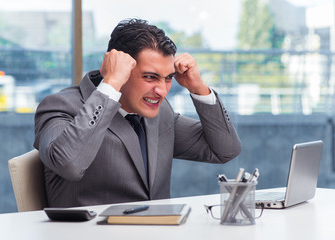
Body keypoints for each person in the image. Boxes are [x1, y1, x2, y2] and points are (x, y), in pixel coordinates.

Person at [34, 18, 241, 208]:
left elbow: (225, 150)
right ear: (120, 70)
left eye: (168, 78)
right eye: (150, 77)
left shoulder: (160, 114)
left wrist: (199, 89)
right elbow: (70, 164)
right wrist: (111, 84)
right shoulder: (59, 106)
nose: (162, 91)